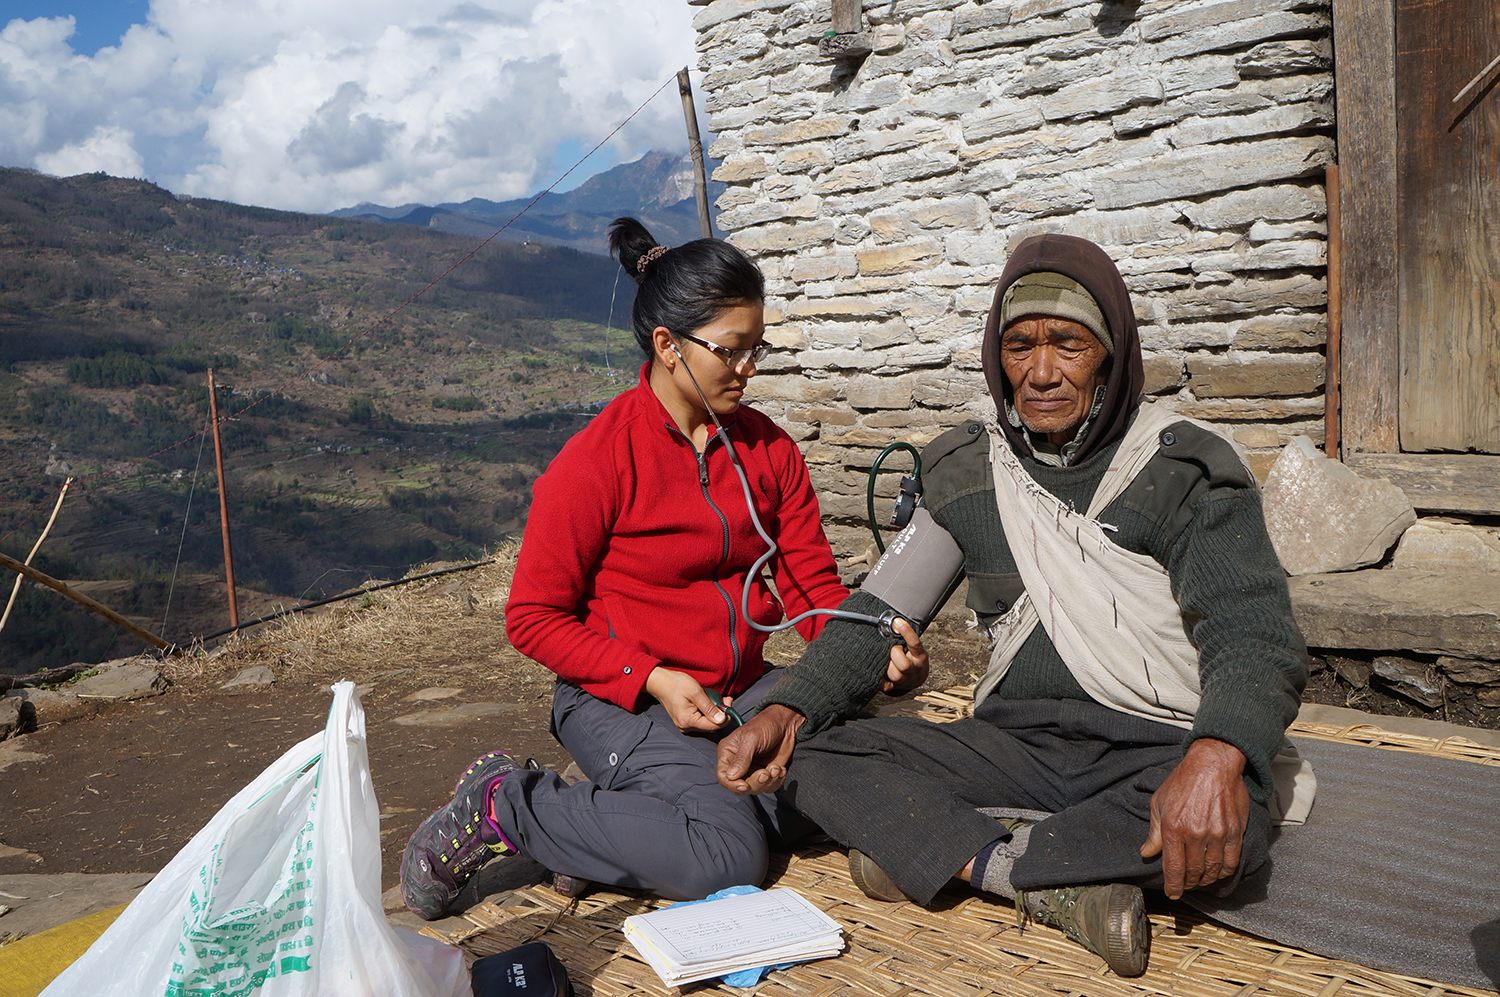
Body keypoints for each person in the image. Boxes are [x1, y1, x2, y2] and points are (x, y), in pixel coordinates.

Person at [716, 233, 1312, 977]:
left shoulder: (1182, 469)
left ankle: (944, 849)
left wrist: (1218, 752)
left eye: (1067, 344)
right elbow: (876, 615)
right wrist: (790, 708)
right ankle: (1051, 879)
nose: (1039, 372)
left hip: (1152, 747)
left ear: (1113, 350)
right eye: (1019, 345)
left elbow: (1252, 630)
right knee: (814, 754)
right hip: (1015, 747)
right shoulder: (968, 470)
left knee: (1239, 818)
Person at [399, 218, 928, 919]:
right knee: (728, 854)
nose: (749, 370)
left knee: (872, 765)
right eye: (732, 351)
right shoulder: (597, 460)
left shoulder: (768, 451)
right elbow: (531, 617)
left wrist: (870, 650)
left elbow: (813, 590)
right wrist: (650, 675)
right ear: (667, 347)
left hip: (740, 689)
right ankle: (508, 802)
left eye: (755, 349)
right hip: (624, 700)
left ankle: (611, 828)